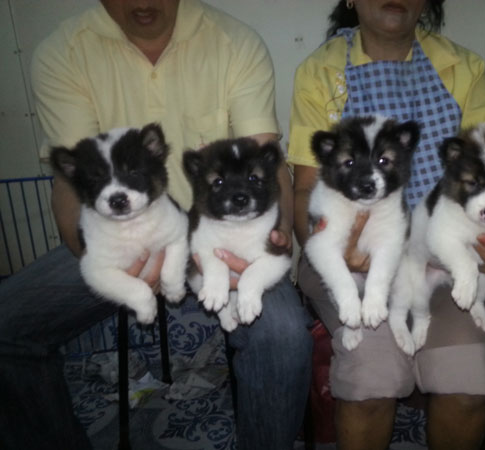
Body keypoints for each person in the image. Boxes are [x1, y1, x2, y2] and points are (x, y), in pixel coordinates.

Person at [0, 1, 312, 449]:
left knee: (283, 335)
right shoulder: (63, 52)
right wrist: (97, 257)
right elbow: (70, 184)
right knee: (8, 324)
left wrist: (275, 234)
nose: (143, 2)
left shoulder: (235, 42)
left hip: (225, 230)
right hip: (119, 234)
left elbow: (266, 162)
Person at [288, 1, 485, 449]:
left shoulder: (463, 69)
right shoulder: (320, 72)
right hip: (350, 258)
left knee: (466, 386)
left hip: (439, 257)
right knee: (372, 382)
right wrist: (335, 250)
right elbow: (304, 190)